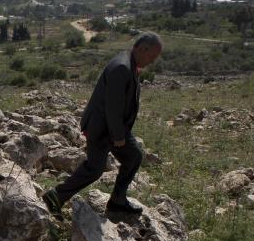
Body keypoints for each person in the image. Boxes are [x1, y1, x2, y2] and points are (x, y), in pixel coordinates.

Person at [42, 32, 163, 216]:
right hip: (101, 127)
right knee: (94, 169)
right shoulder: (122, 67)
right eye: (152, 56)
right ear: (142, 49)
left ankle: (117, 201)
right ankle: (55, 197)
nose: (153, 61)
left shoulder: (129, 63)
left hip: (113, 126)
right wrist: (118, 136)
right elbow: (112, 107)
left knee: (134, 156)